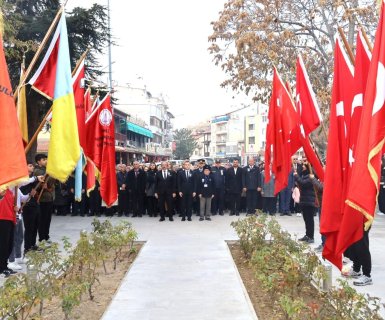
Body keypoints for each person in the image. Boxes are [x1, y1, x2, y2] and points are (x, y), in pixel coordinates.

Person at [294, 160, 317, 244]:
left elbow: (303, 183)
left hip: (310, 201)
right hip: (305, 200)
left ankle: (311, 237)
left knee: (310, 220)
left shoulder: (311, 176)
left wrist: (296, 176)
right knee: (306, 219)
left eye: (304, 166)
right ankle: (307, 235)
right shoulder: (305, 175)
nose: (302, 167)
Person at [34, 153, 55, 243]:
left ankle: (46, 236)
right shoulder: (38, 171)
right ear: (38, 161)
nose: (46, 161)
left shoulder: (46, 170)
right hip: (42, 199)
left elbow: (52, 184)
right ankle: (42, 238)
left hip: (49, 198)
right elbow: (49, 180)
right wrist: (54, 172)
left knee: (47, 219)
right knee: (42, 219)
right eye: (43, 160)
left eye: (46, 159)